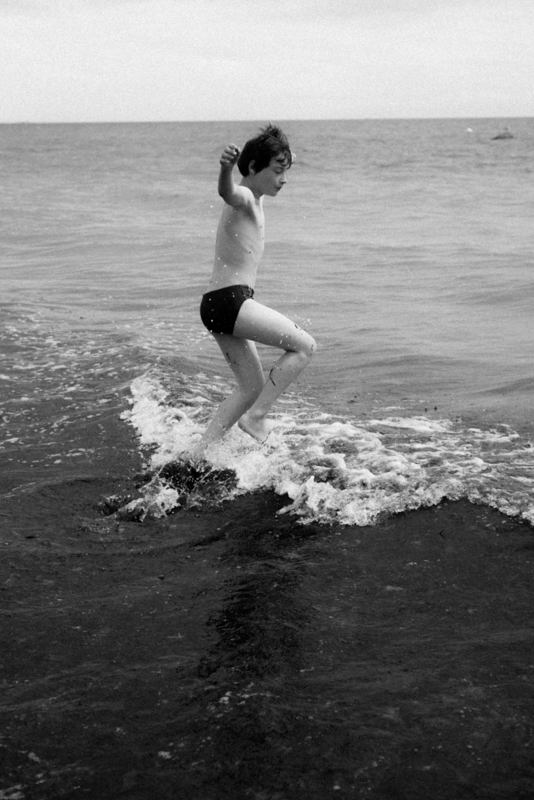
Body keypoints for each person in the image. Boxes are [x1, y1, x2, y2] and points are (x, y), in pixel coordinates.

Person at [191, 124, 316, 459]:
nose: (283, 179)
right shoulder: (245, 198)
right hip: (230, 300)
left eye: (286, 171)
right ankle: (256, 417)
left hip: (216, 304)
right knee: (304, 346)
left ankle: (199, 454)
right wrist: (225, 168)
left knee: (251, 387)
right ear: (252, 168)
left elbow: (271, 159)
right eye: (277, 171)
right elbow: (227, 192)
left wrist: (281, 152)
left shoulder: (256, 197)